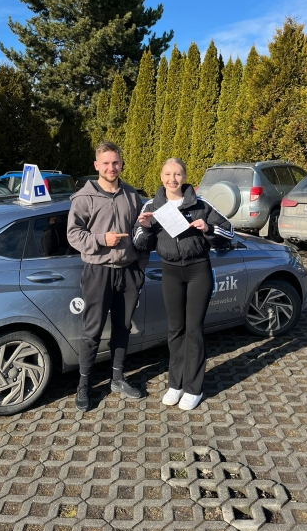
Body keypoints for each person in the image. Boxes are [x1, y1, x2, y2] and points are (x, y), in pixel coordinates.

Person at [133, 158, 234, 410]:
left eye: (177, 174)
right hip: (170, 272)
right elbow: (139, 242)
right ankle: (175, 384)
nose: (172, 179)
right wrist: (145, 228)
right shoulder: (152, 206)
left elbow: (229, 232)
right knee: (175, 328)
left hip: (198, 270)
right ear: (161, 176)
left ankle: (193, 387)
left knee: (193, 329)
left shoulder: (200, 204)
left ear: (185, 176)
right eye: (168, 174)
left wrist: (208, 228)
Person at [67, 141, 149, 412]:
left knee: (123, 327)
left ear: (121, 163)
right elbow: (73, 235)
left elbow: (141, 233)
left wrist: (140, 267)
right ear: (96, 165)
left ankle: (117, 378)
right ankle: (84, 385)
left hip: (128, 271)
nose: (111, 167)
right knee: (92, 331)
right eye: (106, 163)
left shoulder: (132, 195)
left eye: (115, 162)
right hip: (98, 272)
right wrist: (102, 239)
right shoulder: (84, 197)